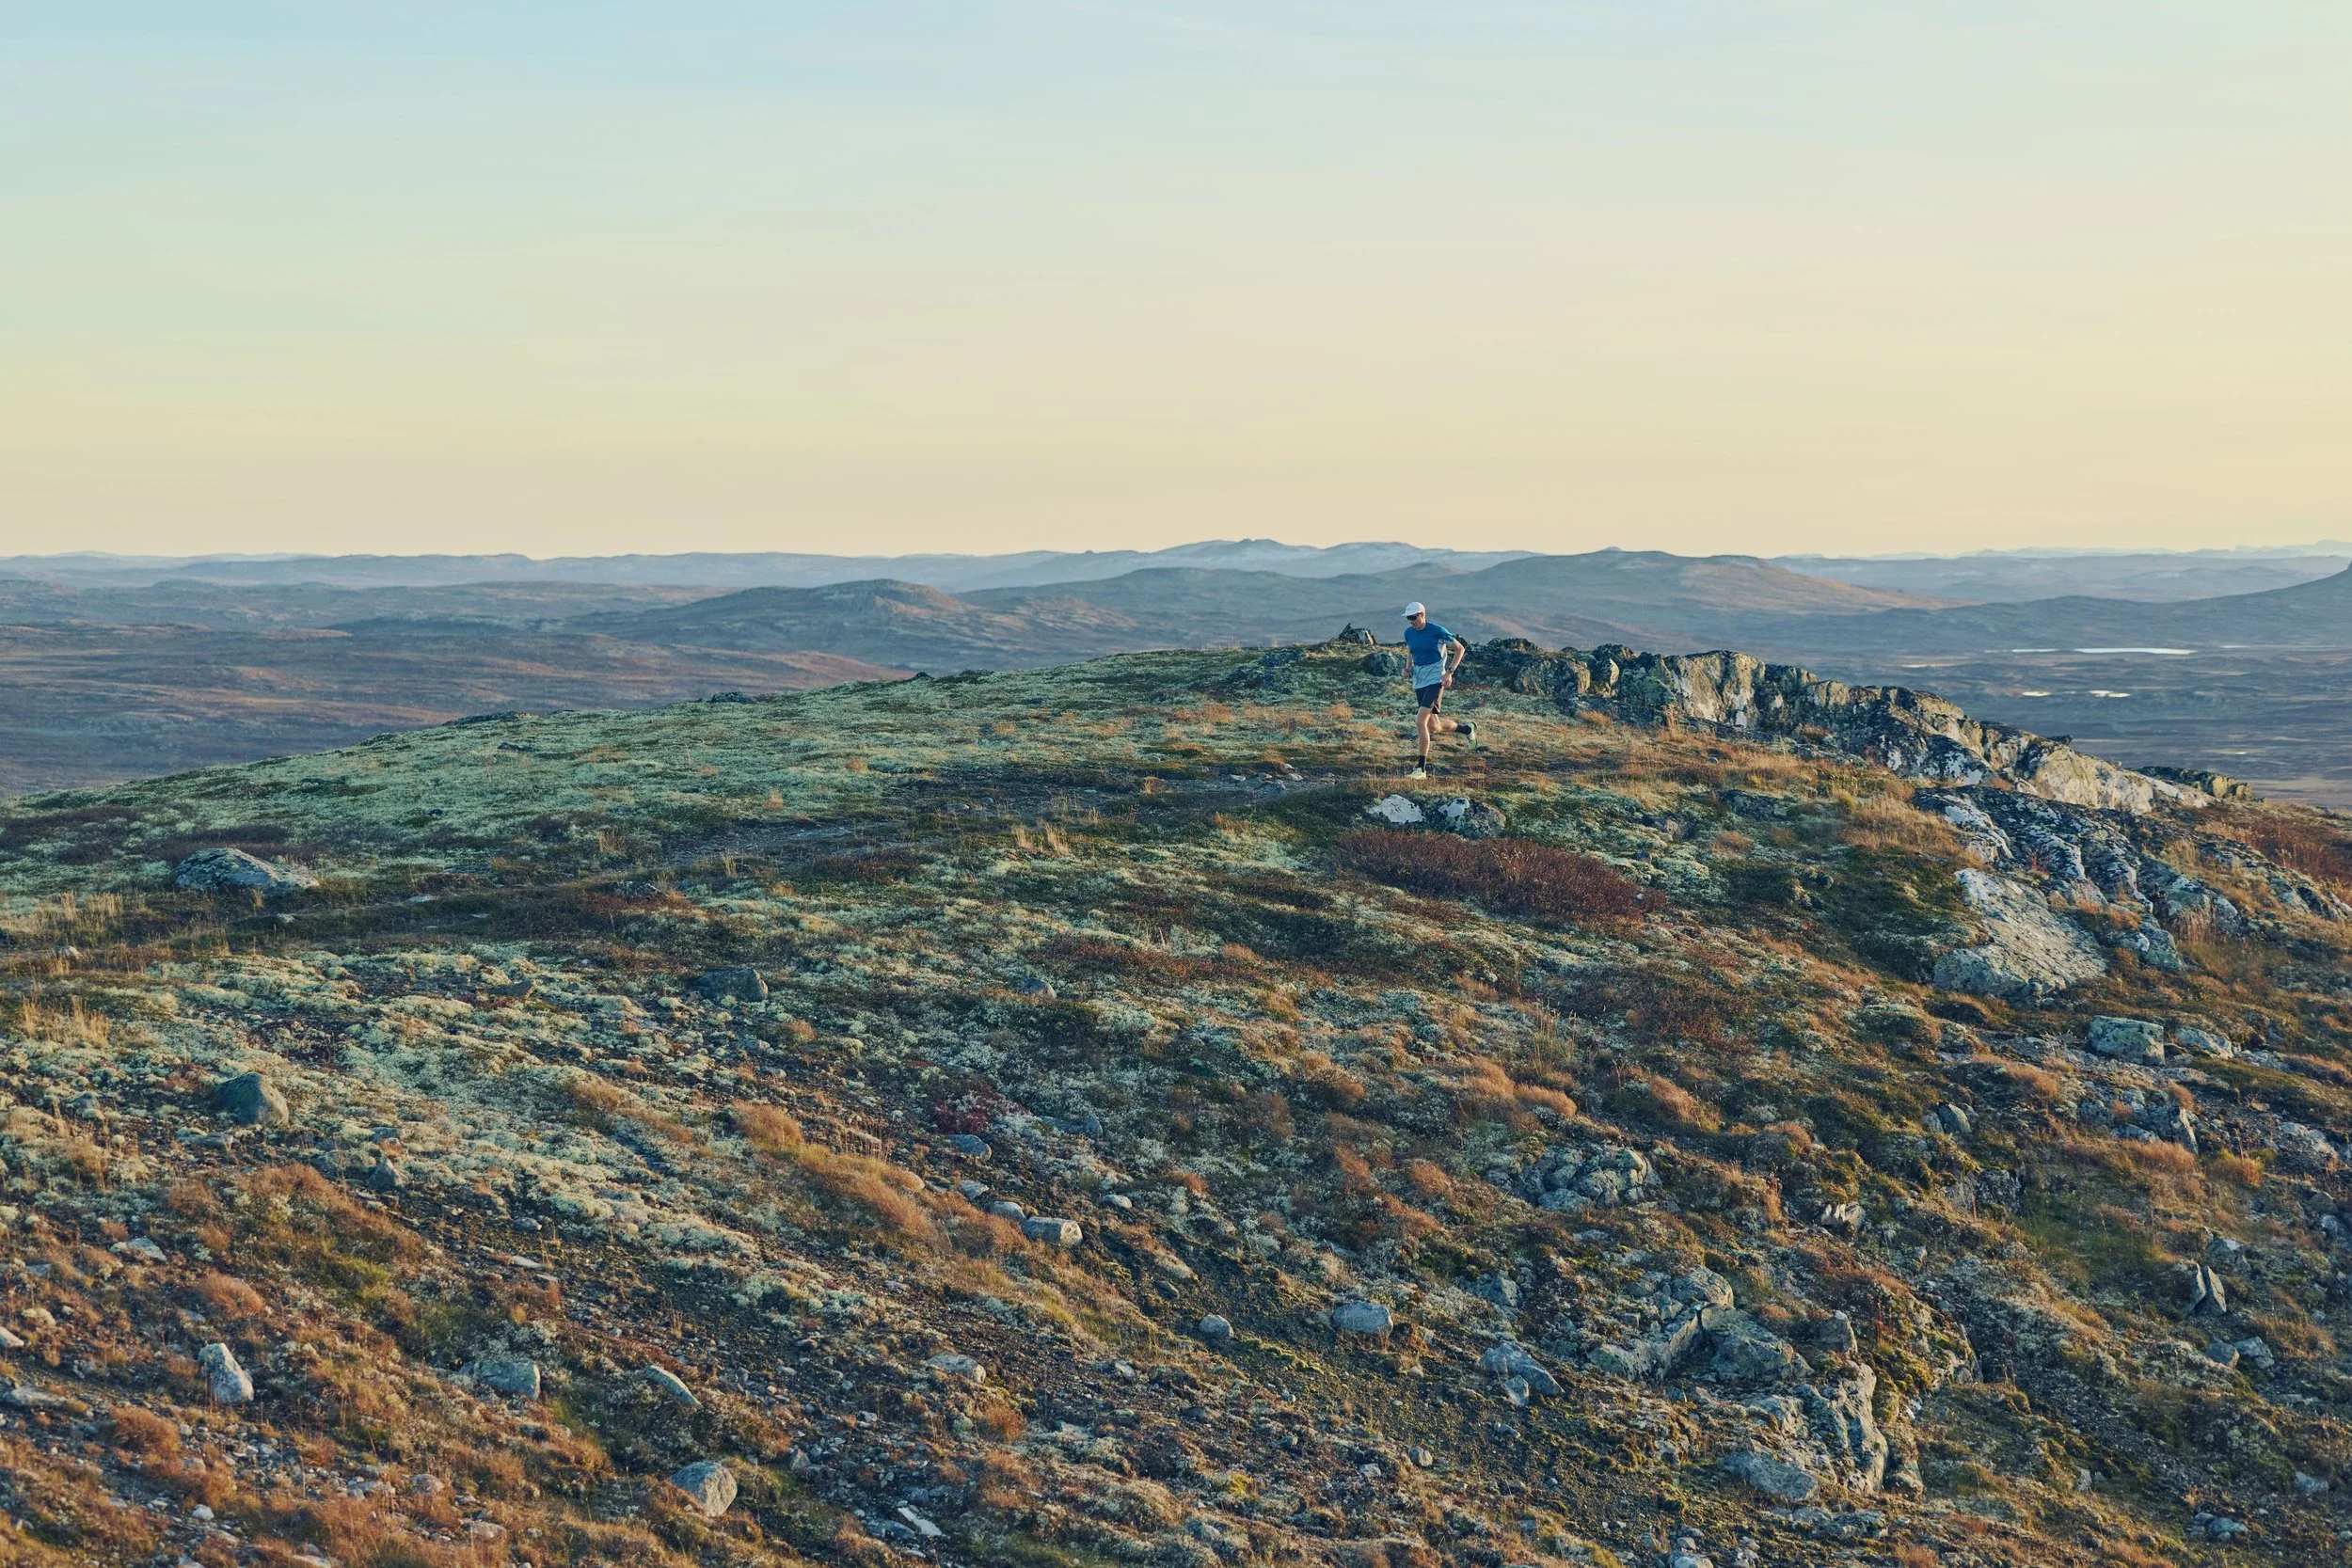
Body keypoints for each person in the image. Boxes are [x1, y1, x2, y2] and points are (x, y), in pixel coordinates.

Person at [1400, 601, 1474, 778]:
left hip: (1435, 680)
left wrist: (1449, 672)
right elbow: (1411, 651)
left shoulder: (1437, 631)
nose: (1411, 621)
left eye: (1413, 617)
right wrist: (1408, 668)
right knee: (1434, 726)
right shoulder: (1408, 633)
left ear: (1422, 614)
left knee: (1420, 722)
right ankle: (1467, 729)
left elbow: (1459, 649)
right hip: (1419, 681)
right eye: (1408, 618)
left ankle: (1421, 769)